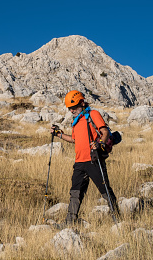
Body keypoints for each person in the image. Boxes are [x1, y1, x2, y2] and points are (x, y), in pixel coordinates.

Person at [51, 90, 120, 224]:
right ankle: (70, 222)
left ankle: (117, 219)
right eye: (69, 108)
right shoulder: (75, 122)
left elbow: (104, 131)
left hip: (94, 160)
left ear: (82, 103)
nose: (71, 111)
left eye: (74, 107)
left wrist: (99, 143)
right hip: (79, 162)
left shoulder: (93, 115)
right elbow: (74, 140)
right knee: (75, 193)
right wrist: (58, 134)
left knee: (105, 190)